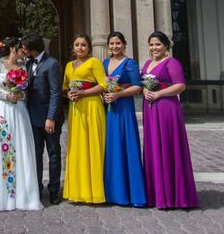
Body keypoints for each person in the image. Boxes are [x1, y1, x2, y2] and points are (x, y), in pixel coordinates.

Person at [0, 37, 43, 211]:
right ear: (13, 48)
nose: (24, 52)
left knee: (20, 148)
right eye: (21, 49)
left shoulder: (23, 67)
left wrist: (20, 95)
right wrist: (5, 95)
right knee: (0, 147)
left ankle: (22, 195)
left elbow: (26, 90)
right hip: (1, 110)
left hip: (18, 111)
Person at [141, 31, 199, 209]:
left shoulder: (172, 63)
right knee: (153, 147)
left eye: (158, 44)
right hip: (150, 109)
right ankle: (156, 194)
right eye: (151, 44)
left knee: (167, 146)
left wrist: (158, 93)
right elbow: (143, 83)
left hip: (166, 109)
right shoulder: (148, 63)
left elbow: (180, 85)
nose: (154, 48)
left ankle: (173, 195)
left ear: (166, 45)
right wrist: (145, 91)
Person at [102, 31, 146, 207]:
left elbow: (137, 87)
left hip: (124, 109)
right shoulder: (105, 63)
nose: (114, 46)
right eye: (111, 44)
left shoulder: (130, 63)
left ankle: (130, 192)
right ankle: (112, 192)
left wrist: (118, 94)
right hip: (109, 109)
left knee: (126, 145)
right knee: (112, 147)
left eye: (118, 43)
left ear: (124, 45)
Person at [62, 33, 107, 204]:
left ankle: (94, 191)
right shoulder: (68, 66)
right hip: (76, 109)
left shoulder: (94, 62)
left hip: (92, 106)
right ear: (72, 48)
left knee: (92, 146)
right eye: (77, 45)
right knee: (77, 148)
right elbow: (64, 87)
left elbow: (103, 85)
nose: (80, 48)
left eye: (83, 45)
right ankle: (78, 190)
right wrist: (69, 94)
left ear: (89, 47)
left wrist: (83, 93)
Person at [21, 32, 63, 205]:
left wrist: (51, 117)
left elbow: (55, 92)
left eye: (25, 47)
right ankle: (36, 188)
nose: (23, 50)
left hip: (49, 118)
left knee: (53, 154)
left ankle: (54, 191)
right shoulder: (28, 63)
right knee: (35, 154)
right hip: (33, 117)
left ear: (33, 48)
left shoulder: (52, 64)